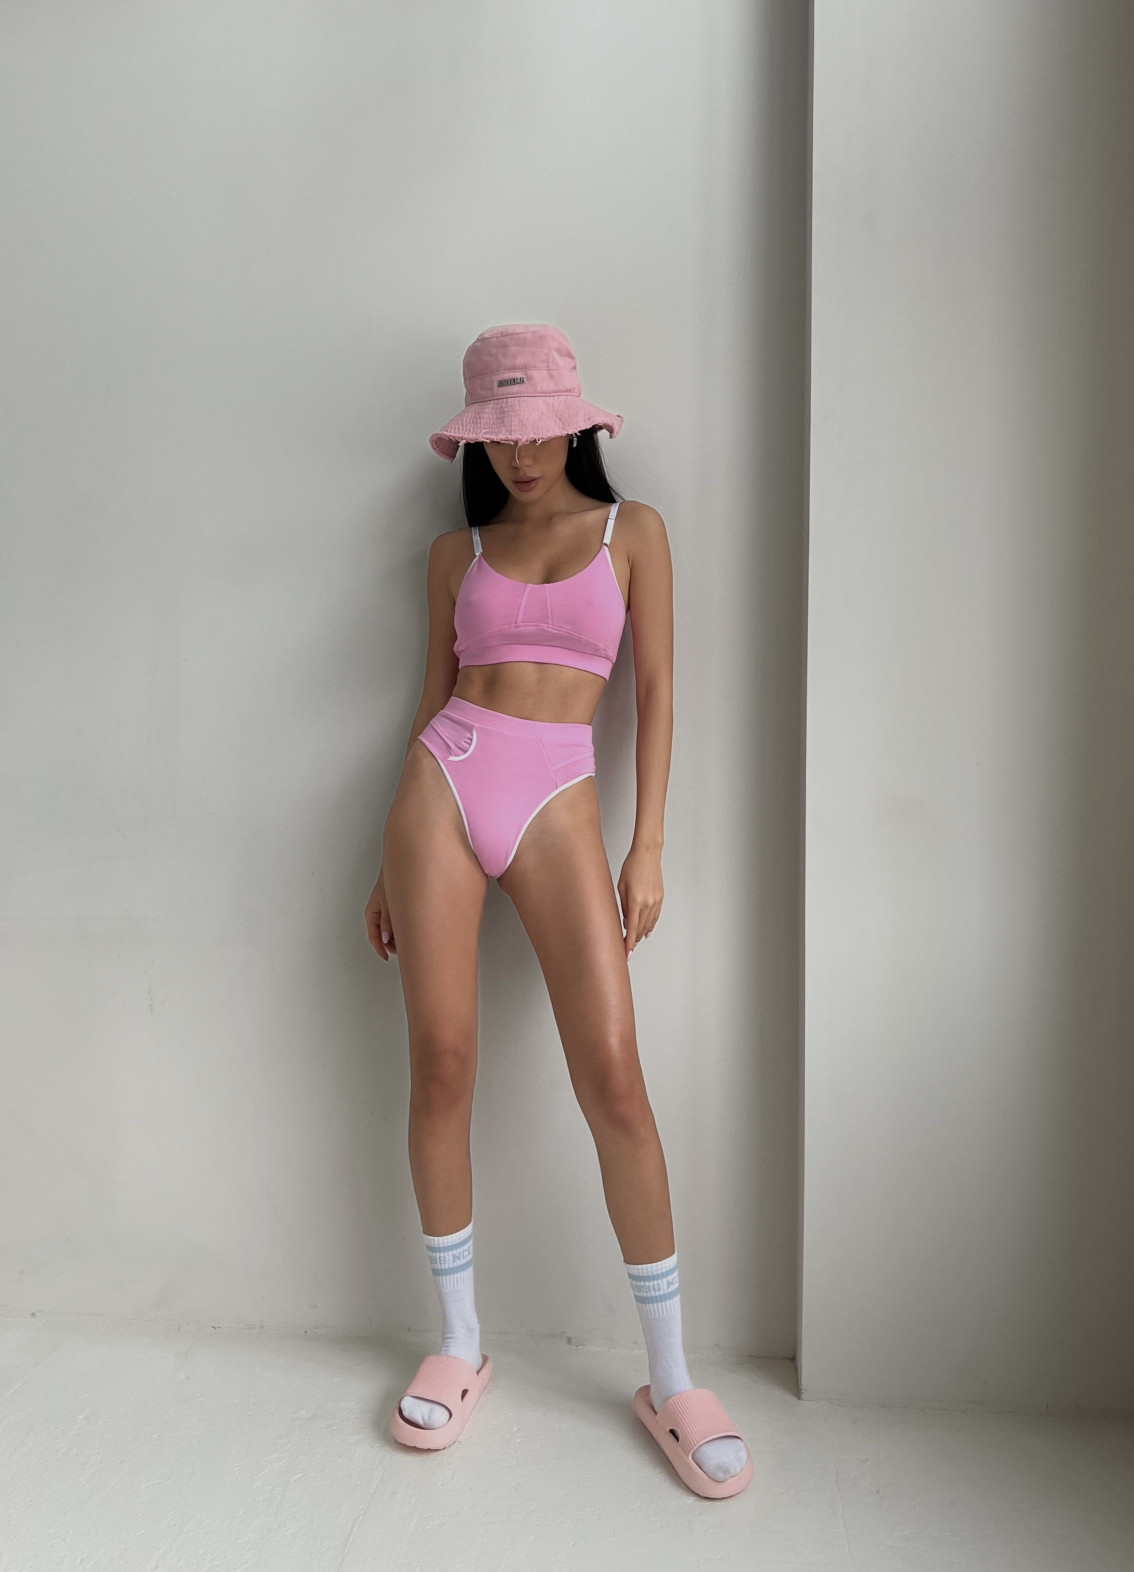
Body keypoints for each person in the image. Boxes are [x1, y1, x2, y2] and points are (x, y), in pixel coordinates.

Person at [365, 324, 752, 1499]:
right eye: (500, 437)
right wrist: (385, 862)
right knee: (441, 1062)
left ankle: (672, 1377)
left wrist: (650, 845)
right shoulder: (455, 552)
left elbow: (660, 691)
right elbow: (431, 695)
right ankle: (459, 1342)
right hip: (441, 785)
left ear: (576, 424)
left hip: (559, 799)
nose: (522, 456)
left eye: (536, 432)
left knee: (616, 1079)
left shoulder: (635, 534)